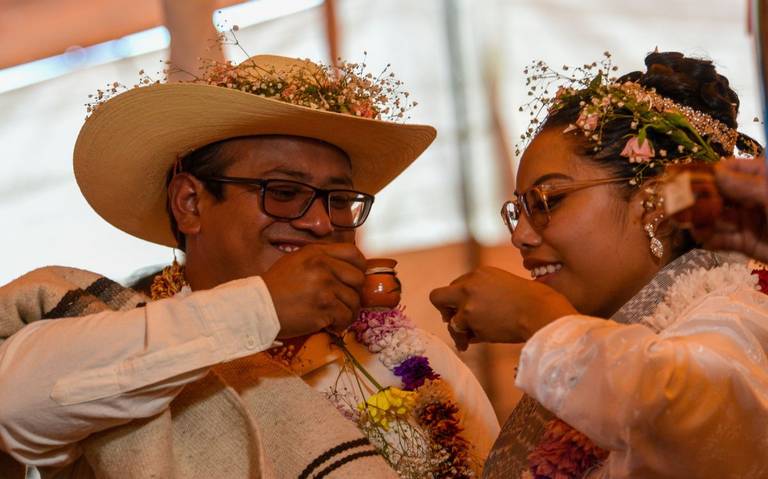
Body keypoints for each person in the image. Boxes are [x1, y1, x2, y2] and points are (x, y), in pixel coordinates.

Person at [0, 54, 499, 478]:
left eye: (339, 199)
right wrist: (261, 310)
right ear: (190, 203)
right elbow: (14, 406)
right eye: (283, 192)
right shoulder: (117, 337)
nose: (323, 224)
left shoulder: (416, 361)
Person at [431, 51, 768, 478]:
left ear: (655, 204)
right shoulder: (617, 339)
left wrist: (533, 317)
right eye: (518, 210)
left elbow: (683, 420)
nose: (521, 236)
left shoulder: (744, 315)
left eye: (547, 200)